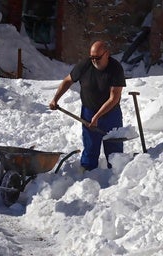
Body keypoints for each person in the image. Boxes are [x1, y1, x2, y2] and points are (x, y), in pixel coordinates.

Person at [49, 40, 126, 170]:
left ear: (106, 54)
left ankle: (117, 179)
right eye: (92, 57)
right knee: (90, 147)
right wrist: (55, 99)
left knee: (114, 151)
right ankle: (87, 174)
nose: (94, 60)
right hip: (88, 112)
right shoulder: (85, 65)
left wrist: (97, 117)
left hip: (111, 114)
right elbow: (68, 80)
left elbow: (114, 98)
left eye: (97, 57)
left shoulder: (115, 68)